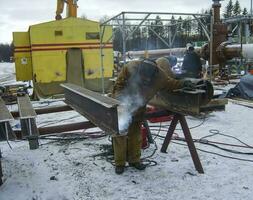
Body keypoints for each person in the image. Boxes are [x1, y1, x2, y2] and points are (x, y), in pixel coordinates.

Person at [112, 56, 195, 174]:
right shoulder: (131, 67)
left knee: (136, 133)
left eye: (146, 80)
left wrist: (183, 83)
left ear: (153, 75)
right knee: (120, 132)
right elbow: (118, 86)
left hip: (139, 106)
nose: (144, 81)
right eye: (142, 78)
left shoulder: (160, 77)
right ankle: (119, 163)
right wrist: (123, 103)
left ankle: (134, 160)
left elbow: (171, 83)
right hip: (123, 103)